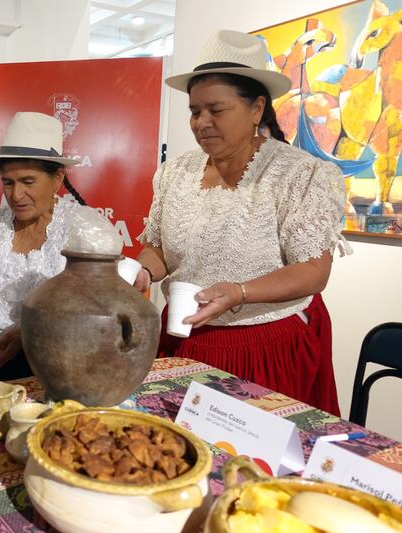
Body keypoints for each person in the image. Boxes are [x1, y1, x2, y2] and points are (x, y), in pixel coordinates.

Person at [134, 30, 348, 415]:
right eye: (194, 111)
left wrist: (240, 291)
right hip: (184, 336)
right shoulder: (175, 173)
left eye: (216, 110)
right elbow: (160, 248)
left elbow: (314, 272)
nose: (202, 122)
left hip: (265, 347)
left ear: (256, 109)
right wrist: (145, 271)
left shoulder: (300, 174)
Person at [0, 112, 102, 381]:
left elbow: (93, 309)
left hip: (58, 363)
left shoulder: (82, 229)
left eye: (28, 182)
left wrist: (29, 332)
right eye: (8, 183)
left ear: (56, 179)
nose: (16, 195)